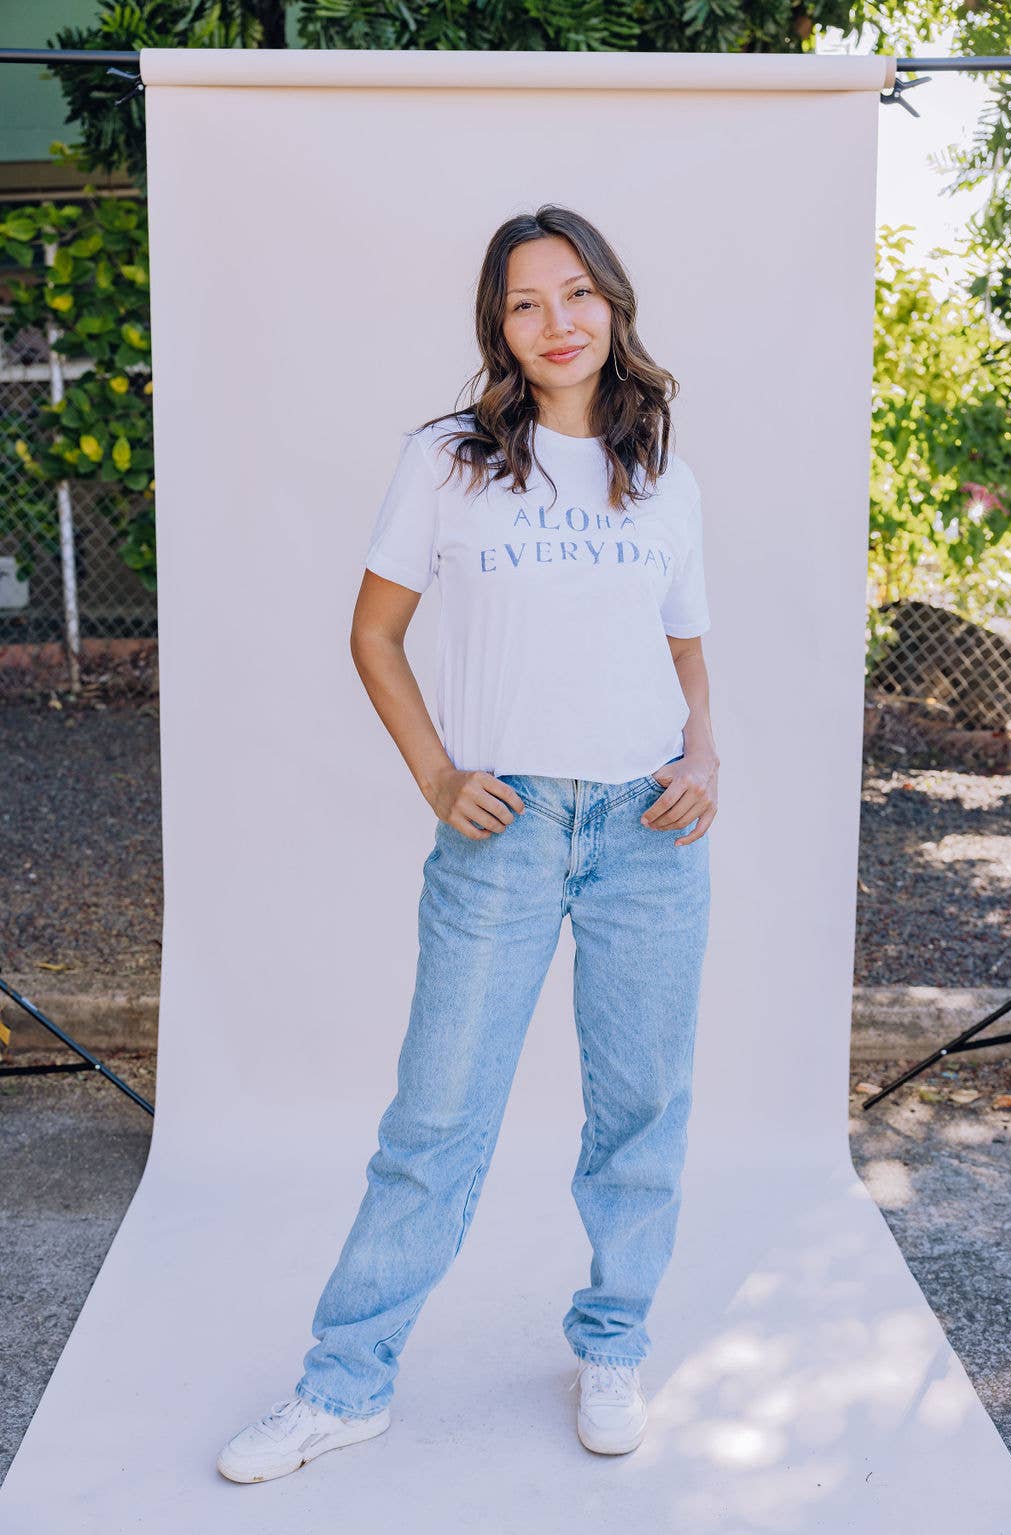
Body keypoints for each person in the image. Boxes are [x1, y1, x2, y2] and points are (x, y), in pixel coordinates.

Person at [217, 203, 718, 1484]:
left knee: (640, 1108)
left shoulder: (658, 468)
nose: (555, 323)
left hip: (646, 831)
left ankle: (612, 1342)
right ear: (497, 327)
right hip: (506, 830)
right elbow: (373, 632)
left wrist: (702, 753)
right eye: (523, 303)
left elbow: (682, 646)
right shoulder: (448, 459)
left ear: (613, 303)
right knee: (436, 1118)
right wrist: (439, 773)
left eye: (575, 294)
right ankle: (344, 1383)